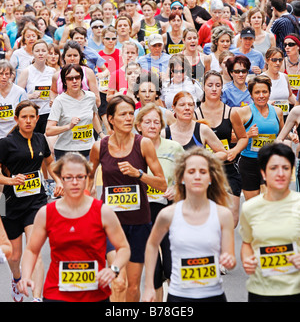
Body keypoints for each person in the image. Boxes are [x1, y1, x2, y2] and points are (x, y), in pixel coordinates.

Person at [17, 152, 130, 303]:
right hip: (56, 293)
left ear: (87, 178)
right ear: (60, 179)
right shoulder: (46, 213)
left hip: (95, 294)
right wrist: (25, 276)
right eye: (68, 177)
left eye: (80, 177)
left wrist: (114, 269)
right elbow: (31, 250)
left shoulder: (103, 212)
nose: (74, 182)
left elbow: (123, 247)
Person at [89, 95, 167, 302]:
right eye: (123, 114)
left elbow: (162, 183)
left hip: (139, 222)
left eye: (131, 114)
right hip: (111, 224)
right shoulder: (100, 147)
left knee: (132, 287)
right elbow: (88, 180)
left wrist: (139, 174)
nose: (128, 118)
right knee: (118, 281)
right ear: (111, 119)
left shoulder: (144, 144)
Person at [143, 146, 236, 303]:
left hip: (213, 295)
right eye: (191, 172)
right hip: (179, 296)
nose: (197, 177)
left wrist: (228, 260)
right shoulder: (168, 215)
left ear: (211, 178)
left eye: (203, 172)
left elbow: (230, 258)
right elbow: (151, 246)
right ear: (182, 178)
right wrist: (148, 288)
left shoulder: (223, 215)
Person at [0, 100, 63, 302]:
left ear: (37, 119)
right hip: (10, 203)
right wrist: (10, 180)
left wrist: (58, 179)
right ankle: (16, 278)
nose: (28, 121)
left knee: (33, 249)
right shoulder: (5, 144)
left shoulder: (40, 139)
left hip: (36, 201)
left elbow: (50, 162)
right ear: (16, 119)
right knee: (15, 256)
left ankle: (37, 298)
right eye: (24, 117)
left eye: (32, 117)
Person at [135, 103, 184, 301]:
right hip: (143, 212)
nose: (153, 126)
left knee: (172, 265)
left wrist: (177, 189)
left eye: (157, 122)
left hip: (169, 210)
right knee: (154, 272)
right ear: (139, 125)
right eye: (148, 122)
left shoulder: (174, 147)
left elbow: (185, 176)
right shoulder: (132, 148)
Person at [240, 143, 300, 302]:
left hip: (295, 289)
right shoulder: (249, 208)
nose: (280, 173)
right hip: (261, 290)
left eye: (286, 168)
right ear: (263, 173)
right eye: (273, 168)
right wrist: (247, 260)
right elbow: (247, 243)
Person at [194, 70, 248, 227]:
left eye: (218, 85)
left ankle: (227, 249)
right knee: (207, 219)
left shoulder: (231, 113)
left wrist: (235, 151)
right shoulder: (195, 114)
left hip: (229, 169)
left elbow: (243, 138)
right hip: (205, 172)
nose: (214, 89)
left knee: (231, 219)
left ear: (222, 88)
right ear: (204, 87)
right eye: (210, 85)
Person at [237, 75, 284, 201]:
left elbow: (282, 134)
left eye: (265, 91)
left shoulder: (277, 112)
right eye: (257, 92)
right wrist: (248, 134)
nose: (261, 95)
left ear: (269, 92)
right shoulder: (243, 112)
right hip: (249, 163)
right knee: (254, 206)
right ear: (251, 94)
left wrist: (292, 136)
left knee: (271, 204)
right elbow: (232, 138)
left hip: (270, 162)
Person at [46, 64, 103, 160]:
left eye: (77, 77)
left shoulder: (91, 97)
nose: (74, 81)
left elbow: (93, 116)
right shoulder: (59, 101)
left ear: (81, 79)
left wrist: (101, 134)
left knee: (90, 175)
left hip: (89, 149)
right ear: (64, 81)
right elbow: (49, 131)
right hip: (66, 151)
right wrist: (68, 126)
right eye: (70, 78)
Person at [163, 91, 227, 160]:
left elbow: (223, 153)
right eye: (182, 105)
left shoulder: (202, 130)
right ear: (174, 108)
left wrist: (204, 159)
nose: (187, 108)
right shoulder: (164, 134)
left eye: (190, 105)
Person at [17, 40, 55, 134]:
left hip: (48, 113)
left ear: (47, 53)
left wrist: (54, 99)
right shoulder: (26, 71)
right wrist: (30, 96)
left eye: (43, 50)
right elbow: (17, 95)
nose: (40, 53)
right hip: (32, 113)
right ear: (33, 53)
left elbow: (57, 91)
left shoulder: (53, 71)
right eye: (37, 51)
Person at [264, 47, 296, 118]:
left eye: (280, 60)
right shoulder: (261, 78)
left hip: (285, 116)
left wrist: (298, 103)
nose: (277, 63)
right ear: (267, 60)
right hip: (269, 117)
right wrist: (266, 103)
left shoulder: (285, 77)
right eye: (274, 60)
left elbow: (290, 95)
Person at [0, 60, 28, 139]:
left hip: (15, 135)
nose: (4, 77)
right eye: (1, 74)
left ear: (11, 75)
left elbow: (26, 113)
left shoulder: (20, 92)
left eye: (7, 74)